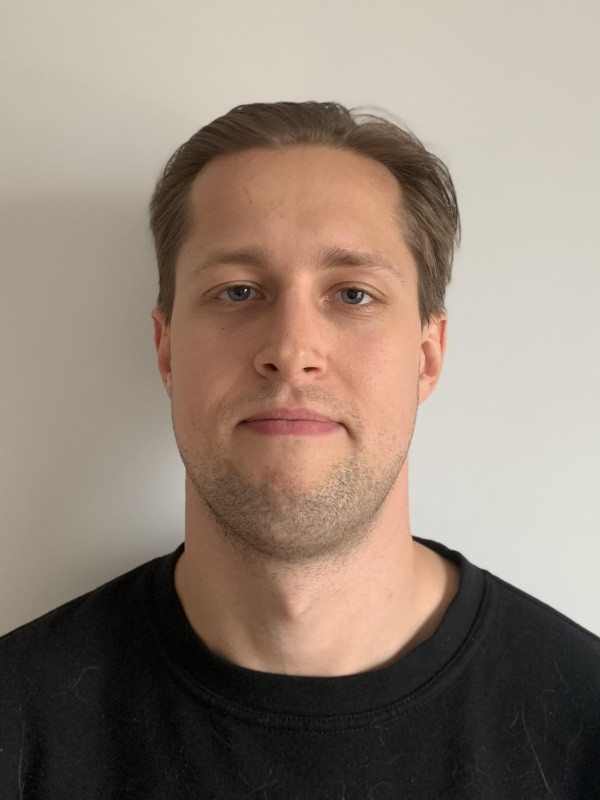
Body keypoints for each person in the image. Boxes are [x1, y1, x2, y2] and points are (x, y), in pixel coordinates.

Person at [1, 101, 599, 799]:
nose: (290, 351)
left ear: (428, 356)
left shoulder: (582, 726)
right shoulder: (18, 721)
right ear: (166, 351)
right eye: (237, 291)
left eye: (353, 294)